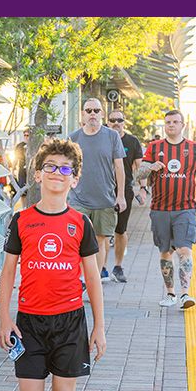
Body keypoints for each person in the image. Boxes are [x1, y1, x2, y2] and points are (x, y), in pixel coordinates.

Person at [0, 139, 106, 391]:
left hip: (70, 322)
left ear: (75, 180)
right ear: (37, 175)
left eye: (66, 169)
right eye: (51, 167)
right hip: (29, 323)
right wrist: (4, 318)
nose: (58, 173)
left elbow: (92, 278)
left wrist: (99, 326)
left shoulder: (81, 223)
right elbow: (8, 272)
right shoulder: (21, 220)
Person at [132, 109, 196, 310]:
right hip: (159, 209)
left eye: (175, 122)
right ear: (164, 125)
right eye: (168, 122)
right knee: (166, 252)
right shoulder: (154, 147)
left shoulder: (194, 148)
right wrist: (151, 168)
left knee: (185, 250)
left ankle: (185, 294)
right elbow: (137, 174)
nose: (171, 125)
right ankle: (170, 294)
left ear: (182, 125)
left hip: (185, 209)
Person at [67, 97, 126, 281]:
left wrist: (121, 196)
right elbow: (67, 167)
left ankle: (94, 280)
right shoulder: (73, 138)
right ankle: (80, 278)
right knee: (77, 240)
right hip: (78, 199)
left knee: (101, 240)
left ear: (102, 114)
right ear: (83, 114)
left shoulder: (112, 136)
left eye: (96, 110)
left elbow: (119, 167)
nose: (92, 114)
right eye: (89, 110)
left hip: (105, 199)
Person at [107, 107, 144, 283]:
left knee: (120, 230)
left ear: (124, 123)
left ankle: (118, 266)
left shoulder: (133, 141)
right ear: (108, 122)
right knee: (102, 232)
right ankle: (100, 268)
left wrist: (142, 189)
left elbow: (139, 168)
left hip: (125, 191)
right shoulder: (103, 139)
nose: (116, 123)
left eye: (119, 120)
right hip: (103, 190)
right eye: (113, 120)